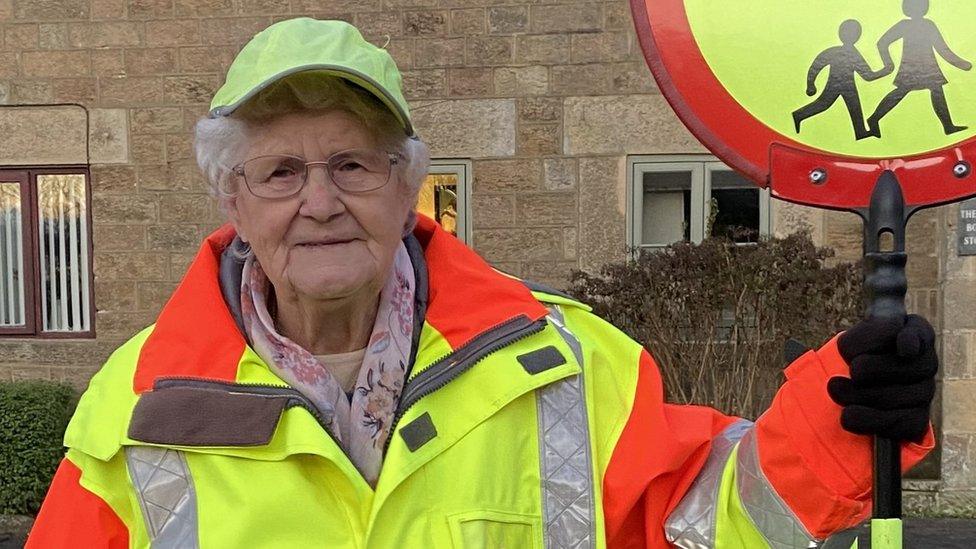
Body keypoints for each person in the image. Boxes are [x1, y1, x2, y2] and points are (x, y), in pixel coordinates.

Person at [26, 18, 936, 548]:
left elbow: (702, 516)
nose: (319, 201)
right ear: (234, 197)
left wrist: (838, 421)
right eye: (280, 172)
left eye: (351, 164)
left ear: (403, 183)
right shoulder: (139, 405)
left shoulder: (563, 361)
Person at [866, 0, 972, 137]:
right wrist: (888, 63)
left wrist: (960, 63)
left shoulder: (928, 25)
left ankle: (948, 125)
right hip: (912, 67)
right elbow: (882, 43)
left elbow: (941, 48)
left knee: (936, 91)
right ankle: (874, 118)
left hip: (928, 66)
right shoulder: (905, 25)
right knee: (903, 92)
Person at [793, 19, 888, 140]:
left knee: (854, 107)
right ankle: (798, 115)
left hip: (848, 86)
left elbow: (867, 75)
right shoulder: (838, 52)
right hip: (837, 84)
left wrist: (884, 71)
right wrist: (810, 84)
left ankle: (861, 131)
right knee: (824, 104)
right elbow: (817, 65)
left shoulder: (849, 53)